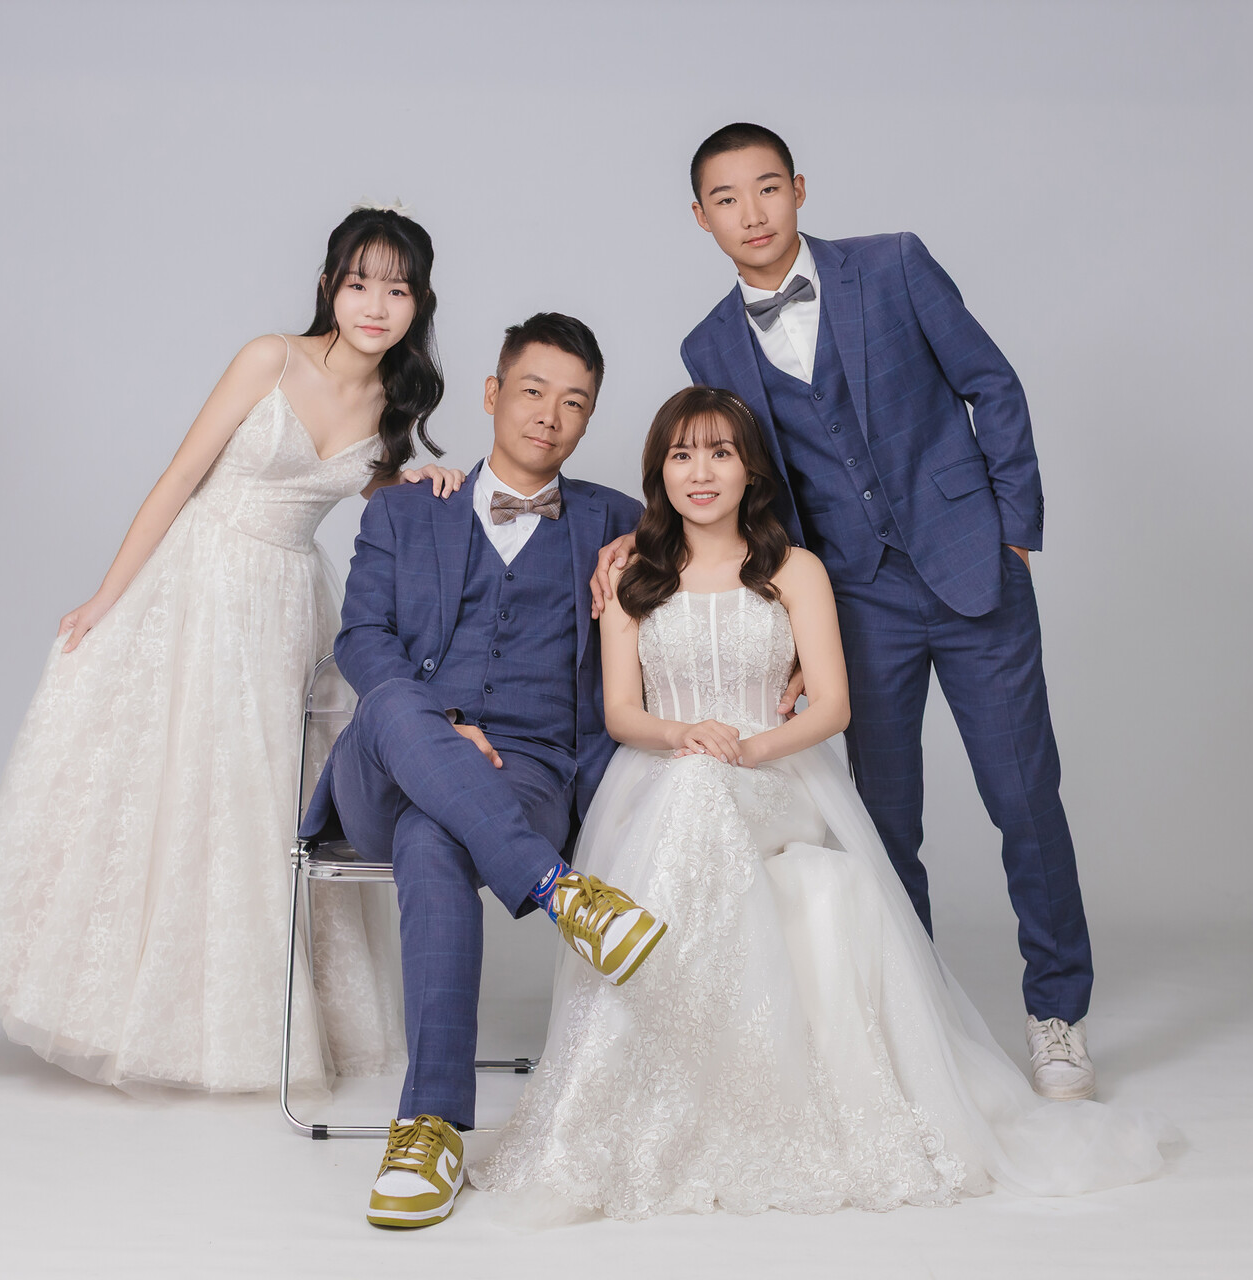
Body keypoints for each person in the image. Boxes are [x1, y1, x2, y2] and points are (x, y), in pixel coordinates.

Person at [475, 387, 1167, 1220]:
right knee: (693, 790)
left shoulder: (794, 571)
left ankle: (652, 1063)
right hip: (665, 769)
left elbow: (833, 707)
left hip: (776, 777)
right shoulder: (631, 575)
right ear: (660, 472)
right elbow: (622, 712)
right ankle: (651, 1096)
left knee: (707, 789)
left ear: (751, 470)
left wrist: (747, 748)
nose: (701, 472)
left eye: (721, 453)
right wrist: (687, 737)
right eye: (682, 455)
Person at [593, 122, 1098, 1099]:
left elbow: (991, 384)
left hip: (973, 567)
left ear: (800, 189)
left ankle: (1058, 1012)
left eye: (767, 187)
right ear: (700, 218)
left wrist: (1013, 528)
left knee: (1024, 797)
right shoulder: (709, 343)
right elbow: (732, 481)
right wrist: (635, 539)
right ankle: (922, 1020)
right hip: (858, 599)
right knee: (883, 820)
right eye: (727, 199)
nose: (752, 213)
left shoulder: (895, 266)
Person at [0, 205, 465, 1094]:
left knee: (259, 802)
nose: (376, 305)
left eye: (398, 289)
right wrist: (107, 595)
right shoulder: (270, 357)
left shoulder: (393, 402)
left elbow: (368, 490)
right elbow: (180, 477)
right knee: (177, 787)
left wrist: (414, 477)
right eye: (360, 282)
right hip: (201, 581)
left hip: (288, 604)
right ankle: (136, 1014)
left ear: (421, 303)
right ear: (329, 285)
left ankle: (245, 1025)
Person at [301, 313, 663, 1230]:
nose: (550, 415)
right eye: (533, 391)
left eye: (574, 402)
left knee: (436, 837)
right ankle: (560, 892)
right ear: (494, 394)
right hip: (390, 763)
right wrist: (445, 726)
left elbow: (730, 549)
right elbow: (362, 639)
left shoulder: (619, 521)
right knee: (392, 700)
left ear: (588, 419)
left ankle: (428, 1126)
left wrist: (782, 659)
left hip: (531, 773)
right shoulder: (405, 506)